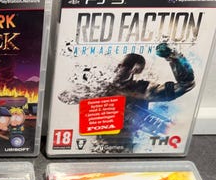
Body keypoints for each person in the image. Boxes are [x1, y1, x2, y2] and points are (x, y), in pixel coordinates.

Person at [60, 42, 195, 152]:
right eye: (120, 66)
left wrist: (174, 57)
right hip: (96, 148)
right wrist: (84, 88)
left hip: (125, 148)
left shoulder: (142, 89)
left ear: (135, 71)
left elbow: (187, 84)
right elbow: (64, 97)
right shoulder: (100, 86)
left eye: (126, 67)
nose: (118, 69)